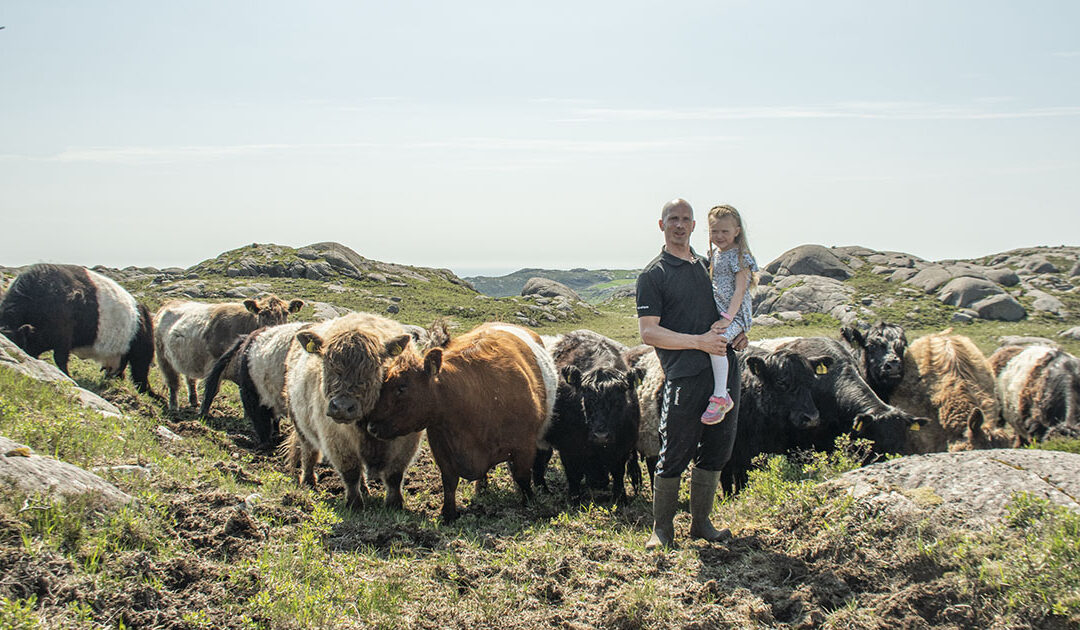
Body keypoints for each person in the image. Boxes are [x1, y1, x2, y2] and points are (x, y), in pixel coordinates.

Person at [636, 198, 747, 550]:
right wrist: (698, 343)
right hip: (684, 374)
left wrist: (741, 332)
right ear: (661, 225)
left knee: (718, 448)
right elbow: (649, 333)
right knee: (675, 450)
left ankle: (702, 524)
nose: (679, 225)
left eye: (685, 219)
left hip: (724, 371)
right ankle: (662, 529)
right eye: (673, 219)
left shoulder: (709, 266)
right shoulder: (654, 275)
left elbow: (733, 302)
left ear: (695, 226)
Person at [700, 205, 758, 424]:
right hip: (722, 312)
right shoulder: (715, 254)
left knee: (717, 343)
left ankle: (721, 396)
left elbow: (740, 290)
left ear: (737, 231)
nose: (719, 236)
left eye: (725, 231)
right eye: (714, 231)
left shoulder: (740, 257)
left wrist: (728, 318)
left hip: (735, 315)